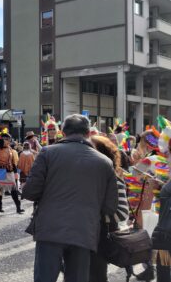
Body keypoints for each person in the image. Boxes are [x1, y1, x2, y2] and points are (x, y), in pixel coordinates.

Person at [22, 114, 118, 282]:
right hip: (84, 230)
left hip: (50, 228)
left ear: (63, 133)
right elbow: (110, 206)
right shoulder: (104, 162)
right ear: (89, 133)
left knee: (44, 278)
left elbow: (30, 192)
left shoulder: (47, 153)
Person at [88, 135, 130, 282]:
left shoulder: (114, 179)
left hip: (100, 240)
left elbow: (123, 213)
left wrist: (96, 217)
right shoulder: (84, 178)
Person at [0, 133, 24, 214]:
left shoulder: (10, 150)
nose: (9, 141)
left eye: (9, 140)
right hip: (0, 172)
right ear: (3, 140)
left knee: (14, 190)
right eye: (8, 139)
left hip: (10, 172)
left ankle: (18, 207)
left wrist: (16, 172)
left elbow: (13, 163)